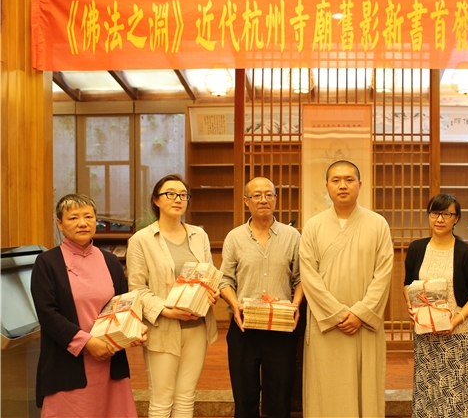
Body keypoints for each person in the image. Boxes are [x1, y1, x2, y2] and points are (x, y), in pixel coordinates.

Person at [30, 193, 146, 417]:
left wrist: (134, 328)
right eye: (73, 218)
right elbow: (47, 314)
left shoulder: (110, 261)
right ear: (60, 224)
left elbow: (123, 305)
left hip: (110, 359)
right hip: (67, 365)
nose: (82, 223)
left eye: (88, 217)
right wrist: (88, 342)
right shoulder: (47, 263)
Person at [299, 160, 394, 417]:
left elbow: (383, 275)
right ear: (327, 186)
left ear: (360, 184)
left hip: (363, 324)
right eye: (336, 180)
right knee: (326, 388)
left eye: (349, 180)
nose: (343, 185)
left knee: (364, 387)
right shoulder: (313, 226)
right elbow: (309, 276)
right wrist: (337, 314)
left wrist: (360, 313)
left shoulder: (378, 224)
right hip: (326, 324)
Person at [127, 174, 218, 417]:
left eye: (183, 195)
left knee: (186, 398)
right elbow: (137, 289)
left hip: (197, 327)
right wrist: (168, 310)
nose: (177, 199)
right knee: (161, 401)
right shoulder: (141, 240)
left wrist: (212, 292)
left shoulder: (199, 235)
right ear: (156, 200)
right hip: (163, 328)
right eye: (170, 194)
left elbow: (209, 274)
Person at [219, 176, 303, 418]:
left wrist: (296, 305)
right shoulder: (234, 237)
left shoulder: (292, 236)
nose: (263, 199)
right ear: (247, 200)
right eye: (257, 195)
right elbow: (225, 280)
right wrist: (234, 304)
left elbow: (301, 278)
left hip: (281, 327)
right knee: (245, 398)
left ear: (276, 199)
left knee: (280, 398)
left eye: (269, 194)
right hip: (244, 325)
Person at [402, 193, 468, 418]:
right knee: (427, 391)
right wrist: (410, 305)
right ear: (429, 215)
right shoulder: (417, 248)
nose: (440, 219)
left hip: (455, 333)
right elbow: (408, 284)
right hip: (425, 333)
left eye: (446, 214)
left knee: (455, 394)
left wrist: (457, 319)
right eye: (435, 213)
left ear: (456, 218)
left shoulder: (466, 252)